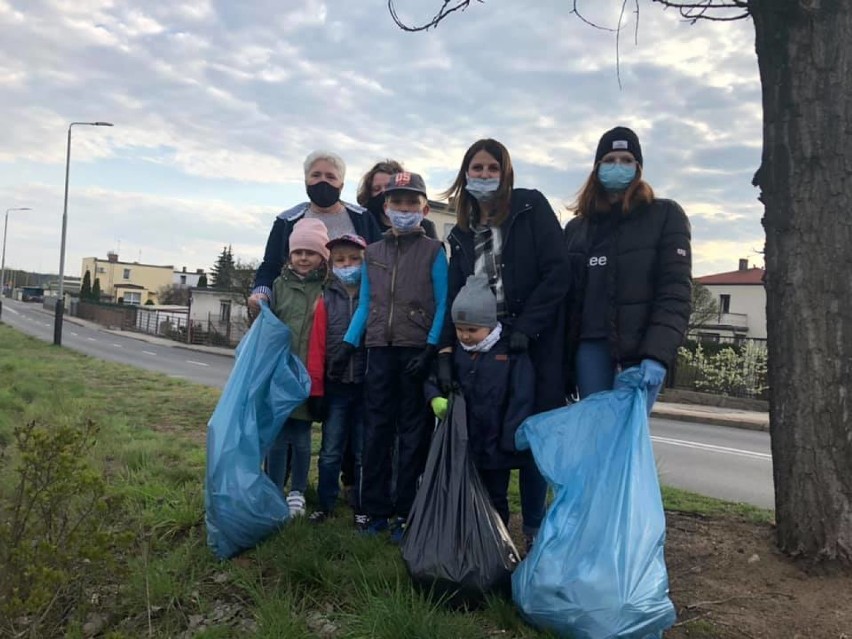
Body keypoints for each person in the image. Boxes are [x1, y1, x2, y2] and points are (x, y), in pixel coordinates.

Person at [439, 138, 571, 549]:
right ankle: (488, 526)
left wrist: (526, 327)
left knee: (530, 435)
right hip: (478, 346)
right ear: (465, 175)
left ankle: (534, 530)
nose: (483, 176)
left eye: (491, 168)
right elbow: (455, 295)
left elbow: (559, 272)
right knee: (486, 436)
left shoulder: (530, 208)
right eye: (475, 169)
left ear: (505, 172)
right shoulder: (462, 232)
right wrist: (446, 350)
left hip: (528, 343)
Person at [331, 171, 448, 543]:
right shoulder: (374, 253)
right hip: (379, 350)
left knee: (414, 433)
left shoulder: (434, 251)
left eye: (411, 202)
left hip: (416, 351)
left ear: (424, 208)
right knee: (377, 432)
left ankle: (405, 511)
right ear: (385, 207)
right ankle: (373, 509)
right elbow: (366, 304)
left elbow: (443, 302)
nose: (404, 208)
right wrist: (349, 345)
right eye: (397, 202)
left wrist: (431, 348)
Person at [564, 126, 691, 408]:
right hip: (589, 350)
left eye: (625, 160)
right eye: (609, 160)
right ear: (596, 168)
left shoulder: (665, 216)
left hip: (637, 353)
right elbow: (567, 297)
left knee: (625, 440)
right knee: (598, 436)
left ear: (638, 167)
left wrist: (657, 354)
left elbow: (675, 292)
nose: (617, 166)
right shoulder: (577, 228)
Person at [426, 274, 534, 526]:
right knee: (460, 494)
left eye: (471, 330)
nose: (464, 336)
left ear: (490, 324)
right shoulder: (454, 354)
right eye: (459, 329)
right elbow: (432, 379)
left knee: (496, 496)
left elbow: (522, 394)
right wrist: (434, 399)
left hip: (497, 445)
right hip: (463, 442)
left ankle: (497, 545)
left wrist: (511, 438)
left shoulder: (510, 352)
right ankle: (463, 541)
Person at [248, 150, 382, 318]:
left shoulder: (363, 218)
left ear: (341, 185)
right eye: (316, 175)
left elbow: (380, 263)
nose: (323, 181)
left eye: (330, 176)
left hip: (350, 312)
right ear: (306, 182)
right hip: (297, 312)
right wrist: (261, 292)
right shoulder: (286, 220)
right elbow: (270, 265)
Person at [266, 218, 330, 516]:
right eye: (297, 252)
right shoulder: (279, 286)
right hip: (281, 375)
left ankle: (298, 491)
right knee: (277, 438)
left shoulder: (327, 288)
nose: (303, 258)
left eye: (310, 252)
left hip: (309, 375)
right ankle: (273, 487)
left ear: (322, 256)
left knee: (302, 439)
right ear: (289, 255)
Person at [308, 234, 369, 525]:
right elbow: (317, 347)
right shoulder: (324, 298)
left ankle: (361, 505)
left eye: (354, 259)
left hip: (366, 385)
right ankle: (325, 502)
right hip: (335, 388)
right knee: (330, 451)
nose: (348, 265)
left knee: (361, 452)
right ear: (332, 265)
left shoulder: (373, 297)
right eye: (341, 260)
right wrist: (317, 389)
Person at [357, 159, 438, 239]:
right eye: (376, 189)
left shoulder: (426, 226)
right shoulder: (364, 223)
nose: (383, 192)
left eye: (387, 187)